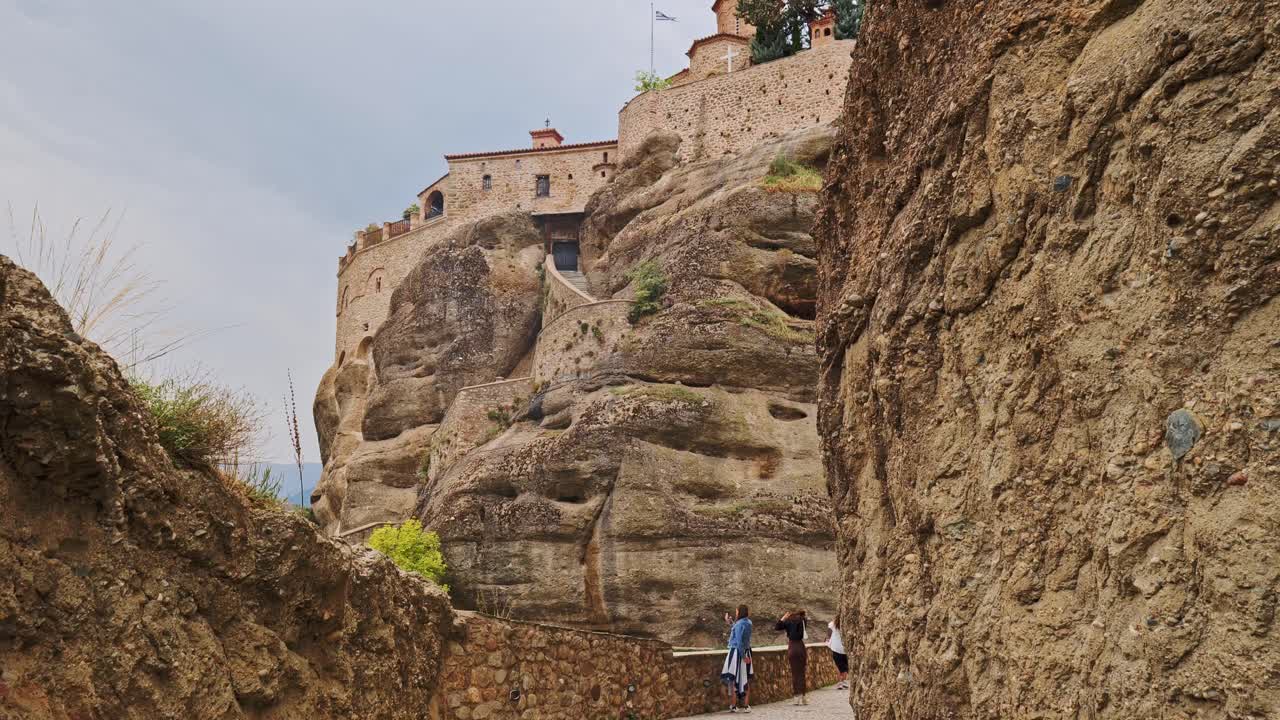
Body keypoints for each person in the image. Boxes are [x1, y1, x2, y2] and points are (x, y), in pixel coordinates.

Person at [720, 605, 753, 713]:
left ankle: (733, 706)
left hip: (736, 653)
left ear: (740, 612)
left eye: (737, 611)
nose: (736, 613)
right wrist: (731, 623)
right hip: (747, 651)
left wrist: (743, 657)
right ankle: (747, 706)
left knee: (733, 679)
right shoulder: (748, 623)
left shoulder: (739, 624)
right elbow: (739, 631)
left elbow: (738, 641)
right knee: (745, 678)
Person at [776, 609, 808, 705]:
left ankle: (796, 697)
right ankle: (803, 696)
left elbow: (777, 627)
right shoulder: (803, 620)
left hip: (792, 647)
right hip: (800, 646)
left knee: (795, 673)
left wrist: (784, 618)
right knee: (801, 672)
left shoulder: (788, 621)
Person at [828, 616, 849, 690]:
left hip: (836, 648)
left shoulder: (834, 625)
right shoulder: (846, 625)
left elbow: (829, 627)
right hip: (844, 648)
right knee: (845, 666)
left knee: (838, 666)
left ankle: (840, 682)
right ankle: (844, 681)